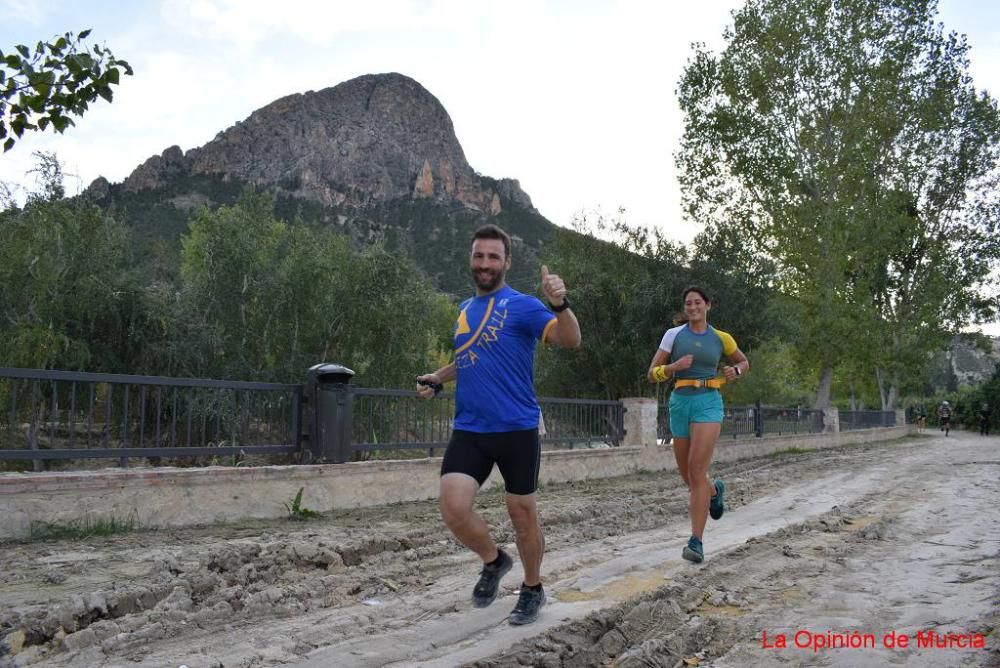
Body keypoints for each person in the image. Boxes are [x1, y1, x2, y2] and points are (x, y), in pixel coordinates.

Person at [416, 224, 581, 625]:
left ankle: (532, 587)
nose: (485, 263)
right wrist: (439, 377)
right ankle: (494, 560)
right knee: (453, 508)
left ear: (506, 262)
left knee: (522, 514)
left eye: (493, 257)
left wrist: (560, 305)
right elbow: (473, 357)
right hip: (471, 429)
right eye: (479, 256)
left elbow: (570, 339)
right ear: (471, 260)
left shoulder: (523, 306)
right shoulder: (463, 309)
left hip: (516, 428)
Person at [647, 286, 748, 564]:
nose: (692, 307)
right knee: (690, 478)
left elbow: (743, 361)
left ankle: (696, 541)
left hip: (708, 402)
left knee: (695, 468)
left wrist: (735, 371)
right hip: (680, 402)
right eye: (688, 304)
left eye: (697, 303)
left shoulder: (721, 338)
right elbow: (651, 374)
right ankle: (714, 490)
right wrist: (672, 367)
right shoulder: (673, 336)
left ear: (708, 305)